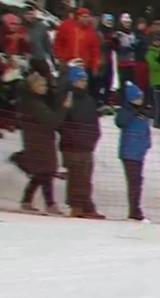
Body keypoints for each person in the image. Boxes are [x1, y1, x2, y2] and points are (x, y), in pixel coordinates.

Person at [17, 72, 71, 214]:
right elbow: (52, 121)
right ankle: (50, 204)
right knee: (45, 172)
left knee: (41, 174)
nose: (45, 87)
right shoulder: (34, 104)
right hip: (39, 142)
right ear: (33, 86)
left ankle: (27, 200)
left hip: (39, 141)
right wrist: (64, 108)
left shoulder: (32, 101)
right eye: (41, 85)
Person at [59, 65, 104, 219]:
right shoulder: (67, 98)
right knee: (76, 177)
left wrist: (94, 137)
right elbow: (61, 122)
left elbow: (94, 122)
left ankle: (87, 205)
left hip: (87, 145)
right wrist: (72, 139)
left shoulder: (89, 99)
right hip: (72, 146)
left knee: (86, 177)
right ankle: (76, 206)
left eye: (84, 79)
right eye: (80, 79)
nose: (83, 82)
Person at [115, 82, 152, 221]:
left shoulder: (143, 114)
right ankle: (134, 209)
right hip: (129, 153)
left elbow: (146, 131)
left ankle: (135, 208)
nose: (140, 100)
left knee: (137, 181)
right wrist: (132, 111)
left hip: (139, 153)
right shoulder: (126, 111)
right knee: (134, 181)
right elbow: (120, 122)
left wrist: (147, 145)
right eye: (137, 98)